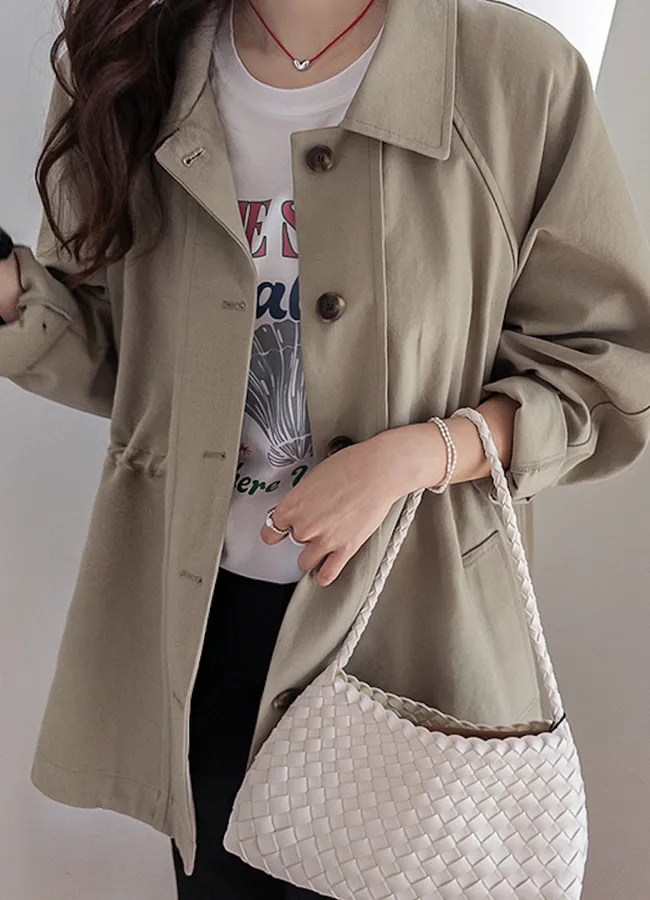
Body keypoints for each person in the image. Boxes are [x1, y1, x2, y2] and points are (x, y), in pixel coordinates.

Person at [2, 0, 650, 896]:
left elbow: (607, 368)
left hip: (419, 640)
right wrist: (13, 297)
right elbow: (133, 356)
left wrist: (415, 456)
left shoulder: (513, 75)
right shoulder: (132, 61)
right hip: (206, 630)